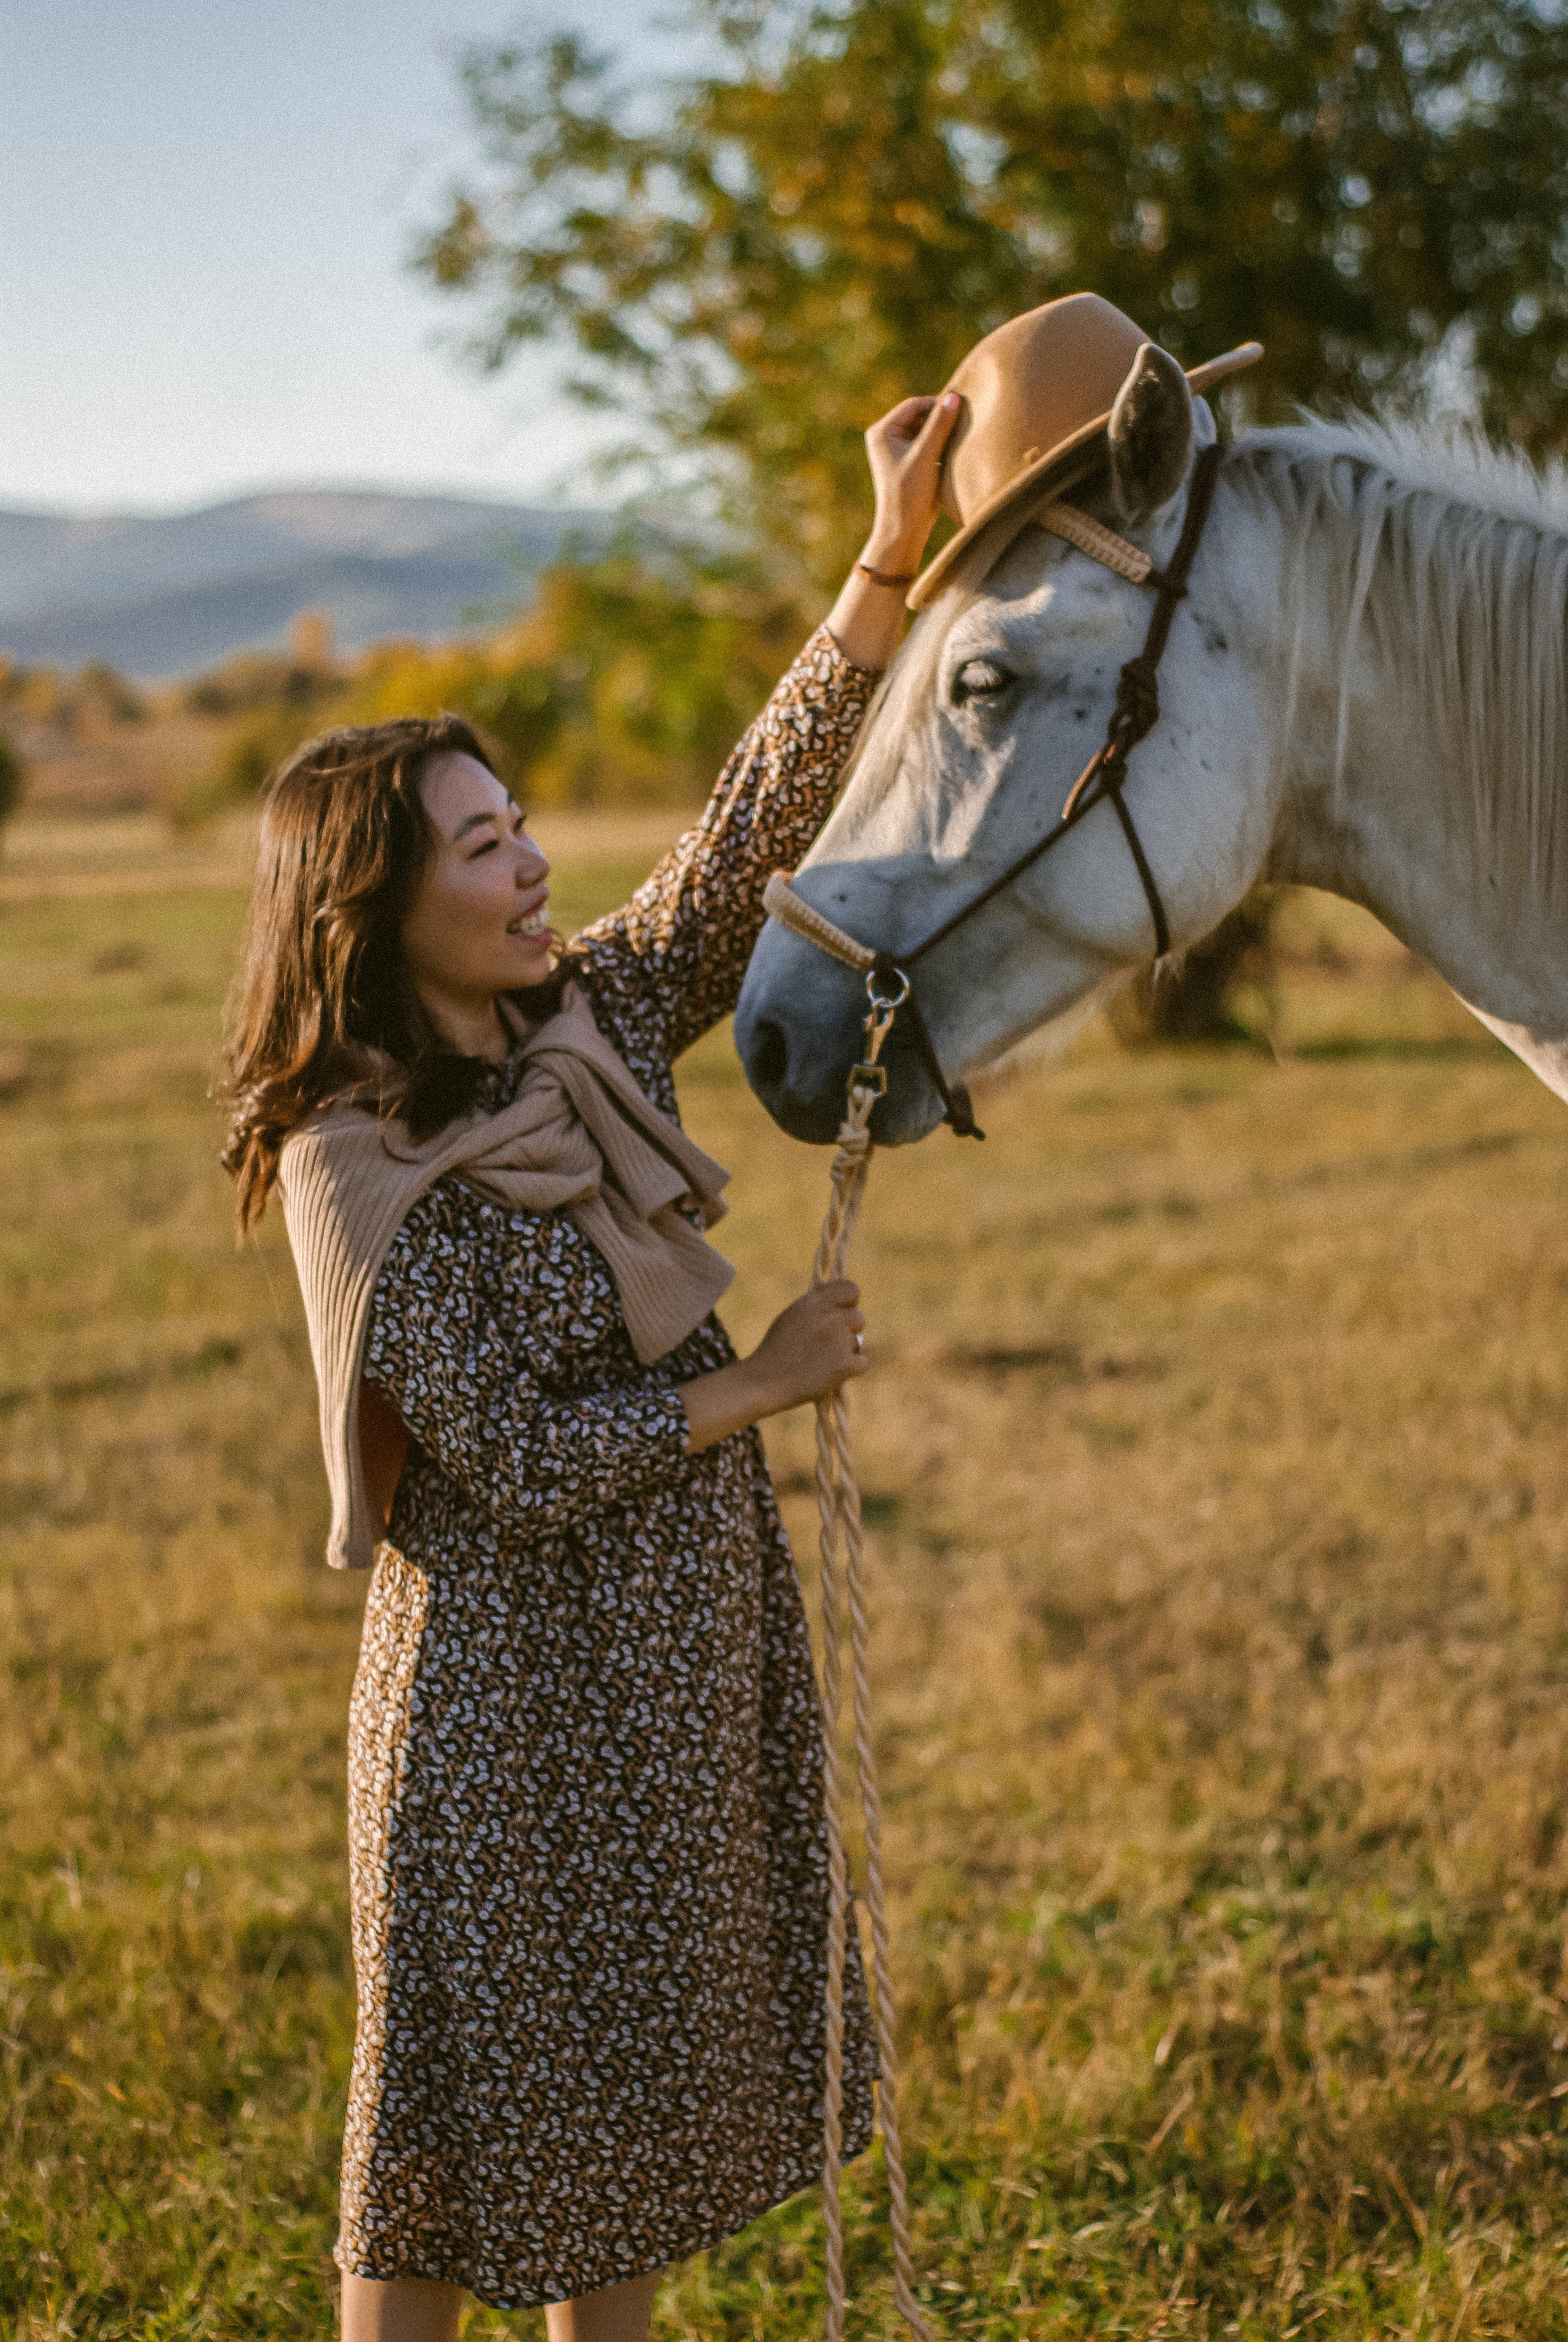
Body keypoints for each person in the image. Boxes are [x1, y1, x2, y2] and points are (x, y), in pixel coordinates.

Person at [220, 386, 962, 2342]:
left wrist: (883, 562)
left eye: (524, 821)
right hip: (499, 1706)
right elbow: (514, 1462)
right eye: (485, 846)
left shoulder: (595, 1022)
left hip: (674, 1659)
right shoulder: (353, 1160)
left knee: (619, 2115)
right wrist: (762, 1382)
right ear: (382, 908)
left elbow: (741, 831)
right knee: (449, 2126)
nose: (535, 862)